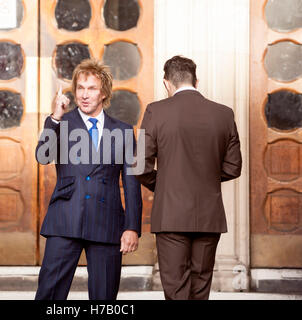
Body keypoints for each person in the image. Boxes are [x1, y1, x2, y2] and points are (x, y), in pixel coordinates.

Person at [35, 58, 142, 300]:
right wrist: (55, 117)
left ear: (104, 92)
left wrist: (132, 226)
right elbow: (42, 156)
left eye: (91, 88)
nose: (84, 95)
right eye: (80, 88)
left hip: (107, 222)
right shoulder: (59, 122)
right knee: (49, 295)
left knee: (104, 299)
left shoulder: (124, 131)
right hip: (65, 220)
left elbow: (132, 182)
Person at [136, 55, 242, 300]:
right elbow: (233, 167)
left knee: (176, 290)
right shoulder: (224, 114)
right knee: (200, 288)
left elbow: (140, 166)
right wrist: (204, 180)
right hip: (208, 215)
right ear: (197, 81)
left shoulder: (156, 111)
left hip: (171, 214)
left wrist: (165, 183)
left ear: (166, 83)